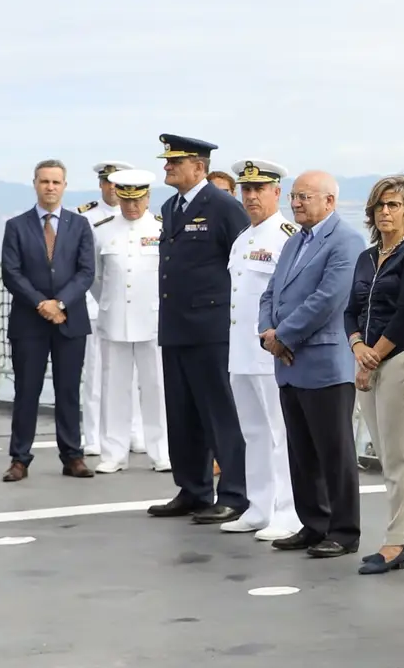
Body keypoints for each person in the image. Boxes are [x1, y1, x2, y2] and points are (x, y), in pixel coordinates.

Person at [147, 133, 252, 524]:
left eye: (174, 161)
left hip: (211, 328)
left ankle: (234, 493)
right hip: (176, 326)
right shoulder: (172, 207)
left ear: (198, 166)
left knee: (219, 413)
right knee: (182, 412)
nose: (167, 167)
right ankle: (191, 488)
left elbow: (240, 266)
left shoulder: (223, 206)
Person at [263, 170, 364, 557]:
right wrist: (266, 332)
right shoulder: (293, 242)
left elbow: (328, 300)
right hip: (288, 363)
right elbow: (271, 293)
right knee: (302, 451)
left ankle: (343, 530)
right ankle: (313, 523)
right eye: (293, 196)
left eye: (305, 196)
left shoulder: (346, 241)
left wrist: (282, 336)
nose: (296, 202)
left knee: (334, 453)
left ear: (329, 201)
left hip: (325, 363)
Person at [347, 175, 404, 574]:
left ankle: (395, 542)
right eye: (380, 205)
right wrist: (357, 348)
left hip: (399, 361)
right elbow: (350, 310)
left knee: (398, 457)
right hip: (368, 360)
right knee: (386, 454)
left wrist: (373, 357)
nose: (385, 211)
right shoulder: (366, 258)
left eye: (393, 204)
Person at [220, 160, 303, 542]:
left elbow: (290, 297)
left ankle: (287, 513)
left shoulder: (287, 236)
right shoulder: (242, 239)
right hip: (240, 351)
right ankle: (259, 507)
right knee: (252, 431)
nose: (250, 197)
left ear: (276, 193)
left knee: (279, 432)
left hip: (271, 352)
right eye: (245, 190)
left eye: (259, 190)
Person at [0, 160, 96, 481]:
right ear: (35, 184)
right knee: (27, 391)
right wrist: (42, 303)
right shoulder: (17, 225)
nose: (50, 187)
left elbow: (86, 272)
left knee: (68, 390)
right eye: (44, 182)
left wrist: (61, 302)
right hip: (29, 321)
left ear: (64, 185)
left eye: (56, 182)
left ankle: (72, 456)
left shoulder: (80, 225)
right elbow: (11, 273)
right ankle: (20, 459)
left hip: (71, 319)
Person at [92, 169, 171, 475]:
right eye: (126, 200)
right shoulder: (103, 229)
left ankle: (161, 450)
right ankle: (113, 452)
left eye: (137, 200)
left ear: (148, 197)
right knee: (114, 387)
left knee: (156, 387)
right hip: (115, 319)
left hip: (152, 319)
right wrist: (108, 303)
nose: (132, 207)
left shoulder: (162, 229)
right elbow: (96, 278)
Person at [77, 160, 124, 457]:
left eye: (119, 183)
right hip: (94, 305)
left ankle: (132, 430)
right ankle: (92, 434)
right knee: (94, 376)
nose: (113, 188)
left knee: (129, 377)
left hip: (128, 308)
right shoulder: (85, 218)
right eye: (108, 182)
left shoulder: (141, 218)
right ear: (101, 184)